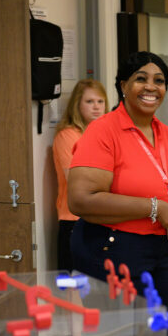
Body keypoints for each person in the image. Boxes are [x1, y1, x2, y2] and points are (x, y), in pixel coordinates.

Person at [68, 52, 168, 336]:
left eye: (159, 80)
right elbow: (81, 199)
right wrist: (152, 208)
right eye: (141, 78)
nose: (150, 87)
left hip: (166, 253)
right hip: (114, 250)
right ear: (123, 85)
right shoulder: (103, 131)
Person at [53, 79, 108, 272]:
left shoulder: (106, 135)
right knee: (72, 286)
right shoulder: (67, 136)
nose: (96, 107)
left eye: (100, 102)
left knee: (99, 287)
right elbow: (78, 183)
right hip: (74, 220)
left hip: (104, 219)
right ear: (77, 104)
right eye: (89, 102)